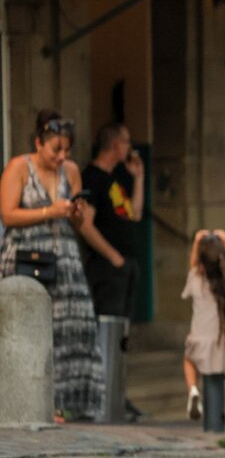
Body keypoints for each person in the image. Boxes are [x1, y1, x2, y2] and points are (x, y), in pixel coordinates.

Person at [0, 110, 104, 421]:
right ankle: (30, 402)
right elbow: (8, 214)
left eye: (66, 150)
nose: (61, 156)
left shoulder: (70, 171)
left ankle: (69, 404)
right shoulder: (19, 167)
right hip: (27, 258)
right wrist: (49, 211)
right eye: (55, 149)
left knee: (74, 329)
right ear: (38, 143)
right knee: (30, 331)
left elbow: (81, 223)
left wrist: (76, 214)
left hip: (64, 260)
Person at [182, 229, 225, 418]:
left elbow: (193, 265)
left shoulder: (196, 279)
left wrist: (196, 242)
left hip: (200, 343)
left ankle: (193, 390)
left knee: (188, 359)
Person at [81, 122, 143, 320]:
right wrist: (113, 256)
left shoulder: (115, 178)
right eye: (126, 142)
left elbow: (135, 214)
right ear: (115, 143)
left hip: (126, 262)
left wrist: (139, 178)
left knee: (123, 325)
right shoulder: (92, 177)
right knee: (109, 323)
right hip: (107, 265)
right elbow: (85, 224)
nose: (129, 147)